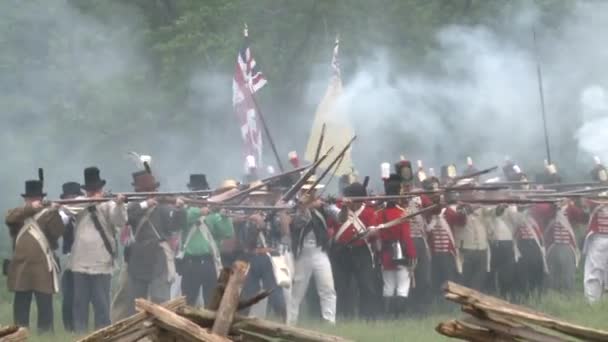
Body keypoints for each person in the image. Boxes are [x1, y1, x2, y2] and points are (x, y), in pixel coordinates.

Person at [64, 167, 126, 332]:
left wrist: (119, 204)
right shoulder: (79, 202)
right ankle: (80, 335)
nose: (94, 191)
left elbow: (119, 221)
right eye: (92, 189)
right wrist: (95, 199)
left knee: (101, 303)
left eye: (96, 188)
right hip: (80, 261)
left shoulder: (109, 204)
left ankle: (103, 334)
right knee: (80, 303)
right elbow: (67, 208)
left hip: (101, 261)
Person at [6, 178, 65, 333]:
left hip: (42, 268)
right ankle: (18, 333)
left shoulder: (48, 214)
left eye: (36, 198)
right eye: (31, 198)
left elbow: (58, 231)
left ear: (41, 198)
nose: (34, 200)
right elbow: (9, 218)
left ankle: (45, 334)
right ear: (26, 199)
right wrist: (30, 208)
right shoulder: (19, 214)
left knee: (45, 305)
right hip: (21, 267)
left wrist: (55, 211)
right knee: (21, 306)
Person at [124, 170, 186, 315]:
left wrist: (179, 210)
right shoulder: (134, 206)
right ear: (139, 191)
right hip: (139, 256)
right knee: (137, 300)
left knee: (161, 299)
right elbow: (128, 216)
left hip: (158, 256)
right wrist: (146, 203)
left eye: (152, 190)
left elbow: (174, 227)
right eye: (147, 190)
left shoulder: (162, 207)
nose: (151, 192)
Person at [287, 178, 336, 325]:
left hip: (319, 251)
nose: (311, 192)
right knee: (297, 291)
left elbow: (339, 216)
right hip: (303, 253)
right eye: (308, 190)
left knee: (327, 288)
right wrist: (305, 206)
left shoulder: (323, 205)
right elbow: (298, 223)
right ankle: (291, 322)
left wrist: (344, 206)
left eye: (313, 190)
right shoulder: (293, 206)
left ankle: (329, 322)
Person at [179, 174, 234, 307]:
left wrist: (225, 216)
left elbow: (228, 233)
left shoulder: (213, 215)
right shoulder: (185, 211)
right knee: (188, 303)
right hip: (190, 263)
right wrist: (202, 210)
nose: (198, 197)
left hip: (209, 263)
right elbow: (185, 218)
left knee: (211, 302)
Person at [236, 183, 286, 321]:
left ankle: (282, 323)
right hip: (252, 257)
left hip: (269, 257)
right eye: (254, 197)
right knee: (247, 294)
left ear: (264, 198)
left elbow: (283, 232)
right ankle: (239, 324)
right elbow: (246, 242)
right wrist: (255, 224)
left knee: (276, 293)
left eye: (259, 197)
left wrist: (268, 221)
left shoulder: (273, 215)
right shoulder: (246, 218)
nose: (257, 200)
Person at [330, 182, 380, 321]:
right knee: (342, 286)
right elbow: (337, 222)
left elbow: (373, 233)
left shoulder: (369, 211)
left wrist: (372, 232)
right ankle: (344, 316)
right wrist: (345, 207)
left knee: (366, 286)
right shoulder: (340, 209)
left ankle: (368, 318)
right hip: (341, 252)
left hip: (361, 252)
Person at [375, 174, 416, 318]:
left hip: (386, 255)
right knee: (403, 287)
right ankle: (398, 317)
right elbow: (406, 237)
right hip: (401, 255)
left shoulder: (379, 214)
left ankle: (387, 317)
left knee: (388, 286)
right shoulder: (401, 213)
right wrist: (412, 255)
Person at [58, 181, 83, 332]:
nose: (72, 199)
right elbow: (61, 222)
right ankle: (69, 328)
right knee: (68, 297)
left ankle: (81, 326)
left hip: (87, 259)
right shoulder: (63, 214)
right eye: (69, 197)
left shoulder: (86, 211)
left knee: (83, 297)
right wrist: (65, 210)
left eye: (75, 197)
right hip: (69, 259)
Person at [583, 195, 608, 302]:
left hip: (599, 240)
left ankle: (593, 303)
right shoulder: (596, 197)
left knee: (594, 273)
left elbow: (586, 201)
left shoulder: (597, 197)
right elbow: (586, 202)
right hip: (598, 238)